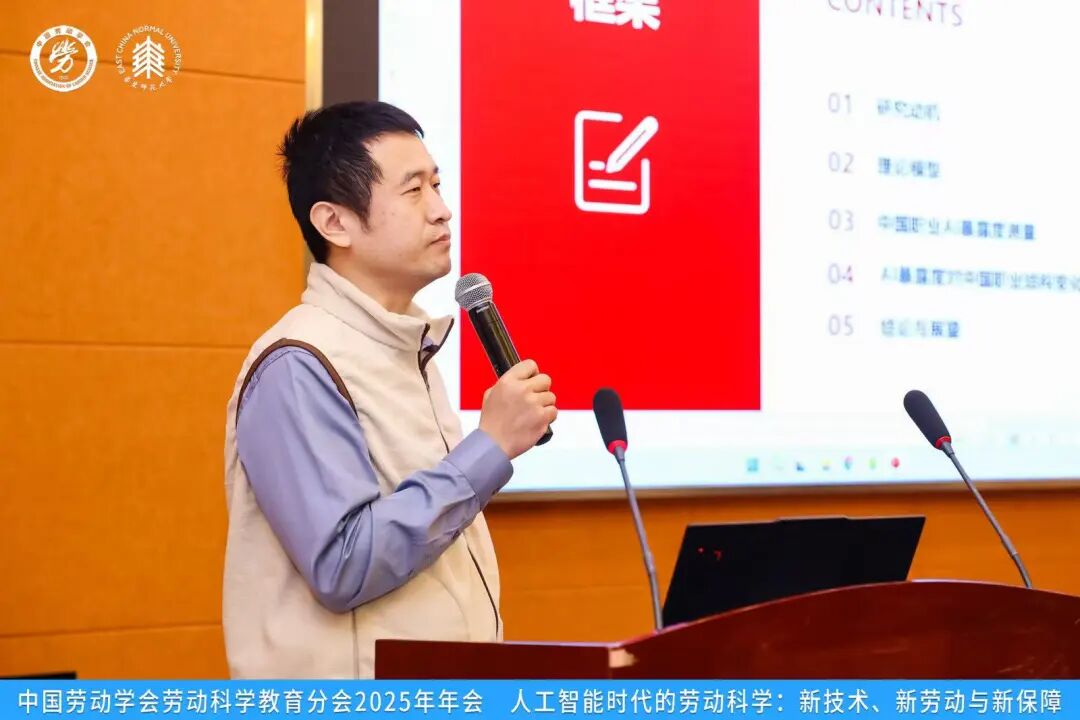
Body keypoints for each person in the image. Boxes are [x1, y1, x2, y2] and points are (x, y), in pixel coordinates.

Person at [221, 100, 557, 678]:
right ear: (335, 223)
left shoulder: (406, 348)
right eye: (414, 190)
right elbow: (342, 564)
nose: (442, 210)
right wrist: (490, 446)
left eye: (438, 185)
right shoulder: (300, 364)